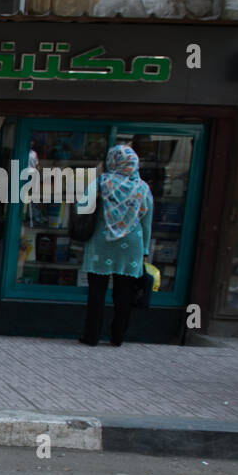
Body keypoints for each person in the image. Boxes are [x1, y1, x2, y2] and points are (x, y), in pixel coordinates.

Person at [80, 145, 153, 347]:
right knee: (124, 295)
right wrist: (145, 251)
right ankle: (117, 337)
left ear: (113, 161)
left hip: (101, 243)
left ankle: (91, 336)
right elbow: (146, 222)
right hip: (132, 245)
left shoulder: (102, 183)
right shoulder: (142, 188)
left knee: (96, 292)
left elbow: (82, 206)